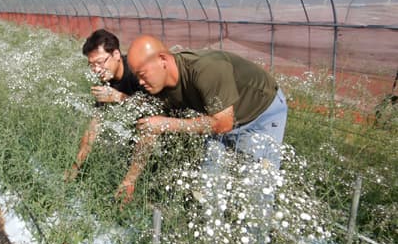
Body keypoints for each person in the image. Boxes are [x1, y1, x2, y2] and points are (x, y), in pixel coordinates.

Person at [115, 35, 288, 206]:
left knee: (256, 189)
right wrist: (130, 181)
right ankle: (213, 229)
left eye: (142, 74)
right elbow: (150, 130)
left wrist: (167, 123)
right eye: (136, 75)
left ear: (163, 59)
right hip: (218, 116)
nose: (140, 81)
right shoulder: (156, 86)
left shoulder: (206, 69)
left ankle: (257, 233)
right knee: (209, 185)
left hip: (260, 112)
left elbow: (223, 124)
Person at [65, 29, 144, 181]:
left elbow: (159, 106)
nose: (96, 70)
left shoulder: (137, 71)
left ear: (116, 55)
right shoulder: (106, 81)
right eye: (91, 65)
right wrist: (75, 166)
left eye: (100, 63)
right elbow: (94, 127)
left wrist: (120, 97)